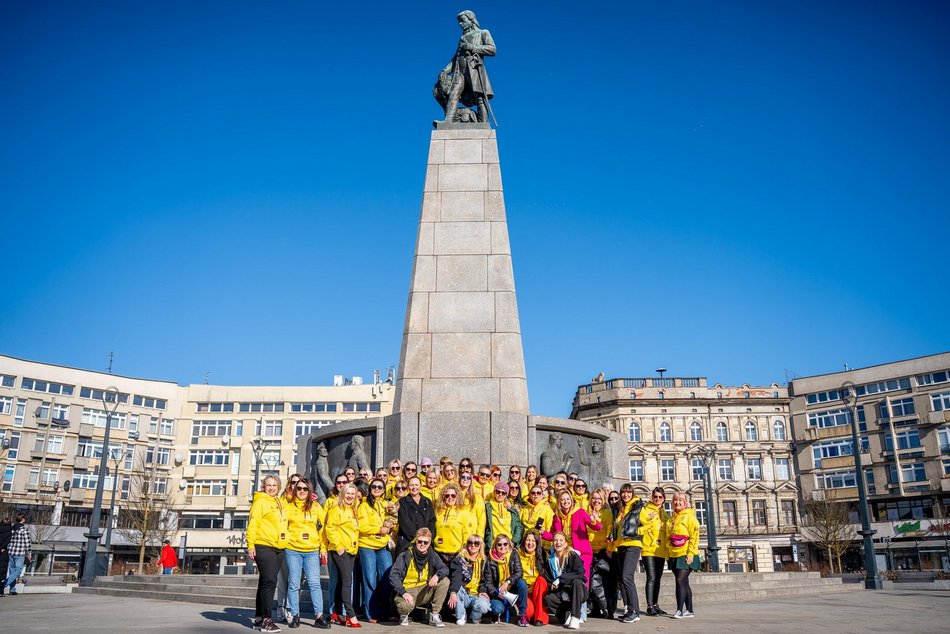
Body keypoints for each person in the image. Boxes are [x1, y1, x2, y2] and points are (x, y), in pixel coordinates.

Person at [434, 10, 496, 125]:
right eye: (459, 22)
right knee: (453, 94)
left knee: (480, 98)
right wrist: (445, 70)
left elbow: (492, 49)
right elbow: (456, 57)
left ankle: (483, 123)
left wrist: (472, 47)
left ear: (471, 20)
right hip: (459, 72)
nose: (460, 24)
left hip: (474, 69)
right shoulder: (462, 38)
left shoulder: (483, 33)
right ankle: (448, 121)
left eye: (462, 21)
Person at [285, 478, 330, 629]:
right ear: (295, 490)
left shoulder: (316, 506)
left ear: (309, 491)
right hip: (293, 550)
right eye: (299, 488)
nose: (302, 491)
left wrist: (323, 548)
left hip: (311, 550)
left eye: (305, 489)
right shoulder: (288, 506)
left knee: (314, 584)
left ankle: (319, 616)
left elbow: (323, 529)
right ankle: (295, 615)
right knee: (293, 584)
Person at [246, 476, 289, 632]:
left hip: (279, 547)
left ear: (278, 486)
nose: (271, 487)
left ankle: (258, 618)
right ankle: (266, 619)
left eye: (274, 485)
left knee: (265, 581)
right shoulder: (260, 502)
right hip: (264, 545)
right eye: (268, 485)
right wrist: (250, 545)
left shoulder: (280, 502)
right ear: (263, 487)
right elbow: (253, 524)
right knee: (270, 582)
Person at [390, 528, 450, 627]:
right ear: (416, 541)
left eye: (425, 542)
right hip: (407, 590)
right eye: (420, 541)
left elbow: (444, 569)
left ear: (430, 543)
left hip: (424, 590)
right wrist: (403, 593)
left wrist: (437, 576)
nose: (422, 544)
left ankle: (434, 615)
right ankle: (403, 615)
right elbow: (393, 575)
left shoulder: (432, 554)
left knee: (444, 581)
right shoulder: (406, 554)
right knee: (404, 607)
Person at [543, 490, 600, 590]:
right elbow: (553, 536)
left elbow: (597, 527)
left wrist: (594, 521)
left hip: (582, 552)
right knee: (568, 581)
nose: (566, 502)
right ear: (559, 502)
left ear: (571, 500)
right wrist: (542, 533)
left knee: (582, 579)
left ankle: (583, 603)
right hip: (565, 553)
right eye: (563, 500)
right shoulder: (557, 517)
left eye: (568, 499)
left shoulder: (580, 512)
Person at [358, 478, 395, 624]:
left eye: (380, 487)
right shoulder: (364, 505)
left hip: (382, 545)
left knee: (386, 578)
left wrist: (391, 522)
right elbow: (361, 526)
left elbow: (394, 519)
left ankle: (386, 611)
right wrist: (378, 529)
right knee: (369, 578)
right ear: (370, 488)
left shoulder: (387, 504)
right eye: (374, 486)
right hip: (367, 544)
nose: (377, 489)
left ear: (384, 489)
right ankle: (371, 612)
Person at [325, 483, 361, 628]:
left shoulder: (353, 510)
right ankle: (350, 615)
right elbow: (329, 528)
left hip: (351, 551)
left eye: (353, 494)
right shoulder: (336, 509)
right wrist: (339, 547)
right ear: (342, 493)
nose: (350, 496)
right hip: (341, 550)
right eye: (348, 493)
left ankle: (337, 612)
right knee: (347, 581)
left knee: (341, 582)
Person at [612, 483, 646, 623]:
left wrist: (637, 532)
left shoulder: (637, 507)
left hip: (633, 545)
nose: (625, 495)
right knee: (623, 578)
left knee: (627, 577)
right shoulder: (621, 508)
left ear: (632, 493)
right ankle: (630, 610)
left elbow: (651, 525)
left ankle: (635, 611)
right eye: (623, 492)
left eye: (628, 492)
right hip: (621, 545)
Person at [542, 531, 588, 630]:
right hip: (561, 592)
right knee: (548, 599)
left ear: (566, 543)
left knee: (576, 581)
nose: (558, 543)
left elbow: (580, 572)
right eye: (555, 540)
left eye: (561, 540)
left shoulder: (572, 555)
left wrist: (560, 579)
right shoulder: (550, 560)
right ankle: (567, 617)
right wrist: (552, 585)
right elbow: (548, 578)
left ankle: (575, 617)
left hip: (576, 591)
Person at [666, 492, 700, 619]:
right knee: (684, 582)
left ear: (685, 503)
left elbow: (694, 537)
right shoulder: (671, 519)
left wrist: (691, 553)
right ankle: (689, 610)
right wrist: (668, 554)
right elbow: (667, 537)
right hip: (674, 554)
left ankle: (679, 610)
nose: (677, 502)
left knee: (679, 581)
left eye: (680, 500)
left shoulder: (690, 517)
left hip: (686, 554)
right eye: (675, 500)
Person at [483, 533, 527, 625]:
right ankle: (497, 613)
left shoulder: (514, 554)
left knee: (522, 583)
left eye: (505, 544)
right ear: (495, 546)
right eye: (499, 544)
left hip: (511, 587)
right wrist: (497, 593)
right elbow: (488, 584)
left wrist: (508, 582)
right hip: (497, 591)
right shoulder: (490, 560)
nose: (502, 547)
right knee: (496, 609)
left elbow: (519, 572)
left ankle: (522, 615)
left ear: (509, 544)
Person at [448, 534, 491, 625]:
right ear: (467, 544)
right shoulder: (459, 559)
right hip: (464, 593)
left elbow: (486, 580)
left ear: (480, 546)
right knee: (457, 588)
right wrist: (453, 592)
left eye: (476, 543)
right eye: (470, 542)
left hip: (476, 593)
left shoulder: (484, 560)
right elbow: (456, 577)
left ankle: (474, 616)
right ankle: (461, 615)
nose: (473, 545)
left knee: (484, 607)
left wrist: (483, 590)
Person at [642, 487, 670, 616]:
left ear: (663, 499)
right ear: (652, 497)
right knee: (651, 577)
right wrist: (648, 518)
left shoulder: (665, 514)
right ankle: (649, 606)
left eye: (660, 497)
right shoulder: (646, 510)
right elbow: (640, 523)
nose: (657, 499)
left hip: (660, 549)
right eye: (655, 497)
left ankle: (656, 604)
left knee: (658, 578)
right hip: (648, 548)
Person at [586, 489, 615, 619]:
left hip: (602, 551)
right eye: (594, 498)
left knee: (599, 582)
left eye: (599, 498)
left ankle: (608, 610)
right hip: (589, 551)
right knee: (591, 581)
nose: (596, 501)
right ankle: (596, 609)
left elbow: (610, 532)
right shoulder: (587, 513)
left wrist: (609, 549)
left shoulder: (607, 514)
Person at [434, 483, 476, 566]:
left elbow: (467, 532)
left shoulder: (463, 512)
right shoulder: (438, 511)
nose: (450, 498)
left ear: (457, 496)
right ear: (443, 497)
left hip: (456, 554)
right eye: (447, 495)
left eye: (453, 495)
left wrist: (465, 551)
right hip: (438, 552)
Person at [397, 476, 436, 554]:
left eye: (416, 485)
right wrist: (418, 539)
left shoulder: (427, 501)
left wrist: (427, 538)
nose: (414, 487)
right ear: (408, 487)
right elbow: (404, 523)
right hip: (408, 543)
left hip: (425, 544)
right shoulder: (402, 502)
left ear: (421, 486)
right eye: (411, 485)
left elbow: (431, 521)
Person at [518, 530, 548, 626]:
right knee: (529, 613)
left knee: (541, 580)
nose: (530, 543)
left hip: (538, 591)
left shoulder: (542, 555)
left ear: (537, 543)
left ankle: (539, 617)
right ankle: (536, 614)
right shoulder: (517, 554)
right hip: (525, 592)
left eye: (533, 541)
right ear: (524, 541)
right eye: (528, 540)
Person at [484, 482, 523, 548]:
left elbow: (518, 526)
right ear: (494, 492)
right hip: (494, 544)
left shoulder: (510, 508)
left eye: (503, 493)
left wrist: (514, 541)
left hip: (509, 543)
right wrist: (489, 542)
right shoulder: (488, 507)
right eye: (498, 492)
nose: (500, 495)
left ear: (506, 494)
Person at [4, 515, 31, 596]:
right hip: (20, 553)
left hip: (11, 552)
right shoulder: (24, 529)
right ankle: (4, 584)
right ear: (23, 519)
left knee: (12, 571)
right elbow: (27, 543)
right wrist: (29, 553)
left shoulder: (12, 529)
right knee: (18, 571)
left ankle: (12, 589)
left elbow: (8, 540)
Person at [0, 517, 12, 597]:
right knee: (2, 571)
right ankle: (1, 591)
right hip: (4, 552)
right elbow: (7, 542)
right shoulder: (10, 532)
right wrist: (3, 548)